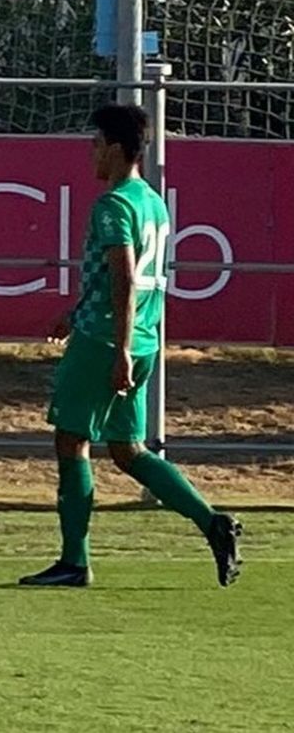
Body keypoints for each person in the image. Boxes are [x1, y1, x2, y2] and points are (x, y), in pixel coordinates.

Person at [20, 103, 242, 588]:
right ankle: (213, 524)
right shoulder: (152, 202)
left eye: (96, 146)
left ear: (117, 150)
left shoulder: (114, 204)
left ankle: (74, 561)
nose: (91, 155)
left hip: (108, 343)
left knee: (71, 439)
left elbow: (124, 275)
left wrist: (114, 346)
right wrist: (78, 311)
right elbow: (135, 278)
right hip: (142, 339)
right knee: (127, 449)